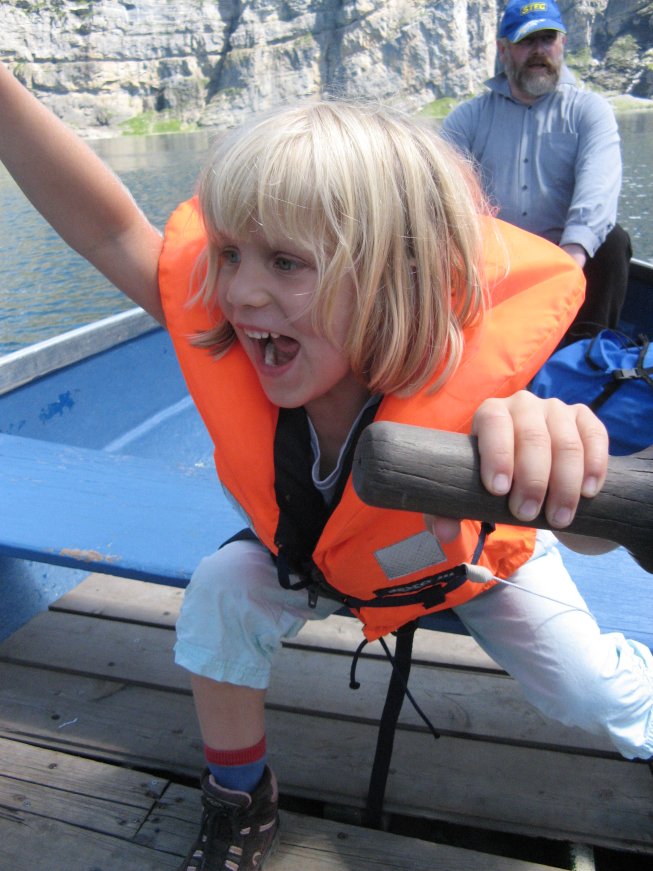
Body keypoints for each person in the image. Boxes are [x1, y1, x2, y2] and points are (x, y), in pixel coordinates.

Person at [0, 62, 651, 871]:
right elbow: (108, 231)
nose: (239, 292)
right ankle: (238, 793)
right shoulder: (242, 333)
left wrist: (547, 446)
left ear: (395, 278)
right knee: (219, 596)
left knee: (588, 696)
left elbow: (588, 522)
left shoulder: (502, 400)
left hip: (466, 563)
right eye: (231, 252)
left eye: (285, 263)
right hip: (312, 556)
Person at [441, 0, 632, 345]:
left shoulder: (591, 111)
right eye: (527, 41)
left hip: (568, 258)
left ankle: (584, 352)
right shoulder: (467, 119)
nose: (539, 51)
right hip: (495, 264)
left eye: (547, 39)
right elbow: (439, 195)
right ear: (503, 49)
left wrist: (568, 268)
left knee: (613, 241)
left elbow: (597, 192)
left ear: (563, 44)